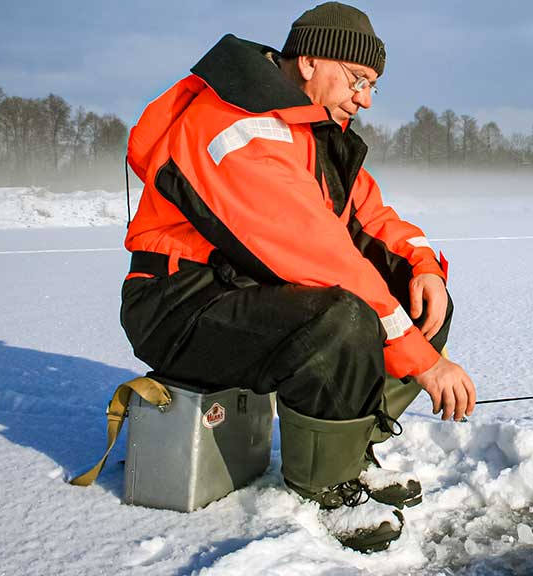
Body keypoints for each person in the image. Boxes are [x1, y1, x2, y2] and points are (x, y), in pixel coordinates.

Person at [121, 2, 476, 552]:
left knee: (410, 288)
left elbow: (374, 221)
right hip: (180, 304)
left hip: (248, 296)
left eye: (374, 86)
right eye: (358, 80)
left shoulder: (312, 130)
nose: (366, 99)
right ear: (310, 62)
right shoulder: (238, 125)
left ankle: (352, 450)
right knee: (341, 316)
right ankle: (326, 486)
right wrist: (422, 359)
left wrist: (424, 266)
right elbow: (316, 252)